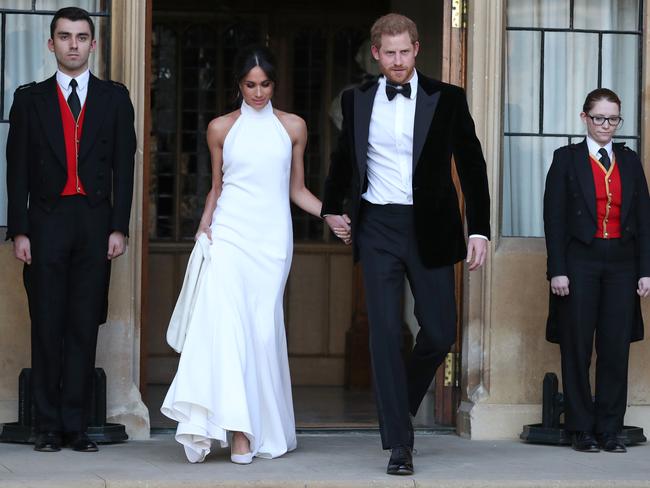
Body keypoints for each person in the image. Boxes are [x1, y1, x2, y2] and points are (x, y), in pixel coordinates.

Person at [321, 13, 490, 475]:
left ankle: (398, 405)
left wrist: (479, 229)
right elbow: (342, 161)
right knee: (383, 334)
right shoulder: (355, 100)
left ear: (417, 49)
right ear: (376, 54)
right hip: (377, 226)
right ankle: (399, 442)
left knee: (438, 332)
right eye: (388, 52)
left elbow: (472, 167)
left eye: (404, 51)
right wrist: (332, 208)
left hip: (431, 226)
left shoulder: (447, 99)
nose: (397, 61)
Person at [161, 45, 347, 464]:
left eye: (264, 84)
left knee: (261, 333)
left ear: (274, 84)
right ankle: (239, 431)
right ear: (238, 85)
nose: (258, 92)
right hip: (229, 235)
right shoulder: (220, 129)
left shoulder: (293, 127)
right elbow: (217, 186)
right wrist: (204, 225)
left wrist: (332, 215)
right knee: (227, 327)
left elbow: (296, 189)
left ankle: (261, 426)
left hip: (272, 241)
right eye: (250, 85)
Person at [6, 7, 136, 452]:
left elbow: (124, 167)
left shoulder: (115, 99)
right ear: (51, 44)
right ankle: (46, 426)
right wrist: (19, 230)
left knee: (84, 324)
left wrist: (119, 226)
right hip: (45, 222)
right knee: (45, 324)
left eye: (82, 37)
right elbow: (16, 170)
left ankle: (75, 427)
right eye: (65, 37)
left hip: (95, 223)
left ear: (93, 44)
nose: (74, 44)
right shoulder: (29, 99)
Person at [544, 88, 650, 453]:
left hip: (622, 262)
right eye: (600, 118)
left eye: (613, 119)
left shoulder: (630, 161)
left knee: (615, 347)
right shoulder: (566, 159)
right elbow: (554, 219)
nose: (607, 125)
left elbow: (644, 219)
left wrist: (645, 270)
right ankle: (581, 428)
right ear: (584, 118)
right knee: (576, 346)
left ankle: (609, 428)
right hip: (580, 262)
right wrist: (557, 269)